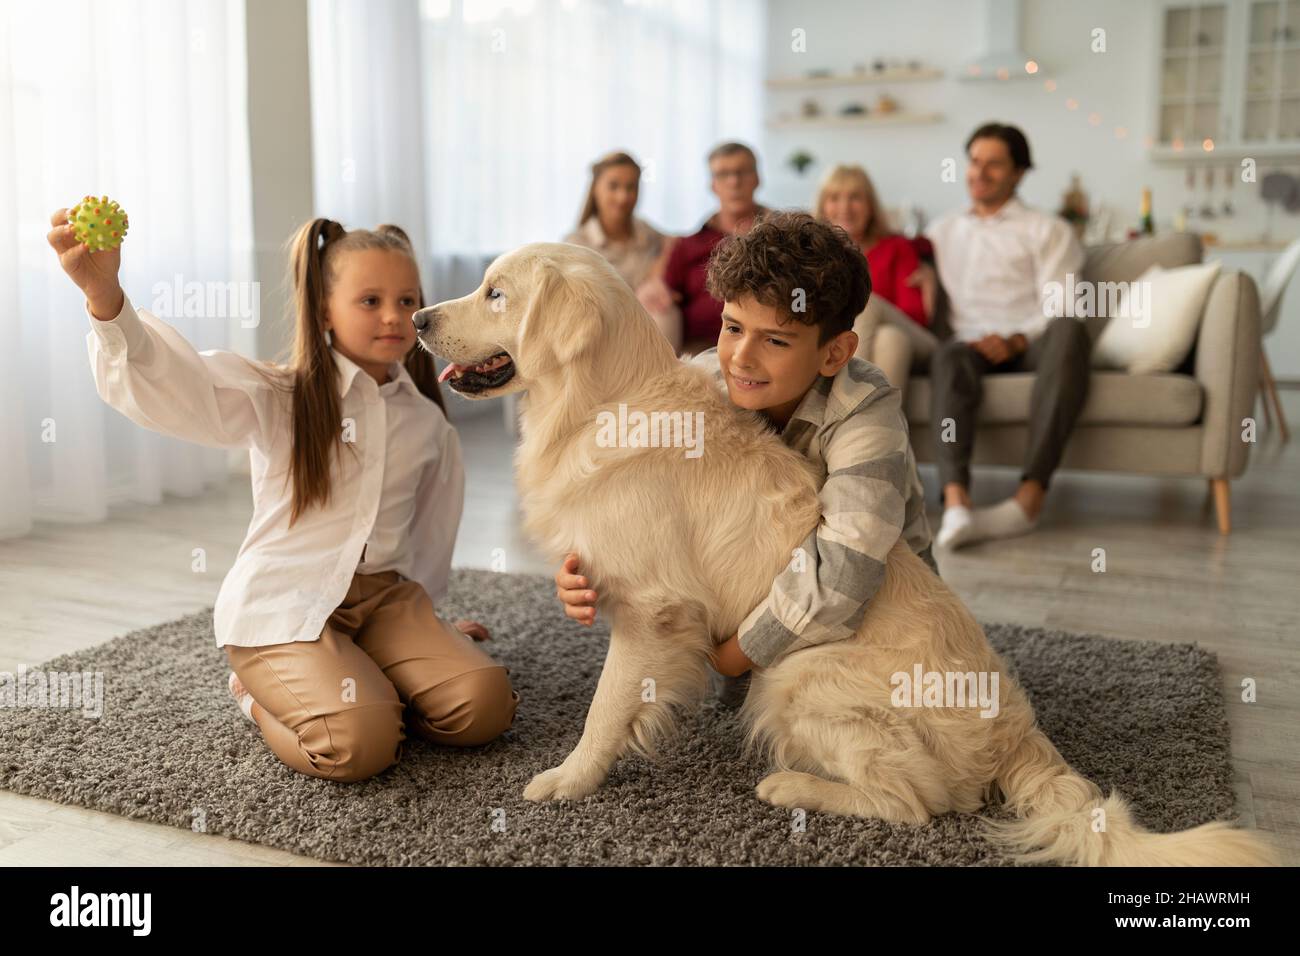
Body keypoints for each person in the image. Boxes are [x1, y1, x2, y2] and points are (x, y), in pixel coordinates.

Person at [47, 210, 518, 782]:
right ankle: (254, 690)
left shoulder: (427, 423)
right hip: (287, 603)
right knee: (361, 745)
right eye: (370, 301)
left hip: (385, 602)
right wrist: (106, 297)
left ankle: (365, 673)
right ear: (324, 309)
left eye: (406, 299)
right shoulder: (279, 393)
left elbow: (429, 530)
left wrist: (432, 625)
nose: (393, 316)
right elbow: (179, 385)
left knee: (485, 705)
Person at [555, 212, 935, 707]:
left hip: (877, 615)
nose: (741, 358)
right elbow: (636, 490)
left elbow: (848, 572)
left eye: (775, 340)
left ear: (835, 352)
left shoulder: (866, 412)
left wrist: (736, 655)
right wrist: (589, 566)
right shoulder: (706, 380)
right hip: (761, 591)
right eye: (733, 327)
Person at [924, 122, 1090, 549]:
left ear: (1018, 173)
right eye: (975, 162)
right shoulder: (941, 233)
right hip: (968, 346)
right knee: (948, 355)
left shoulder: (1047, 229)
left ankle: (1028, 500)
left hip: (1031, 344)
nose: (980, 172)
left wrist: (1016, 340)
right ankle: (957, 502)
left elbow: (1064, 305)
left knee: (1071, 331)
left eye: (994, 164)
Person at [814, 163, 939, 395]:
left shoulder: (897, 247)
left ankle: (841, 398)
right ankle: (879, 427)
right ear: (822, 207)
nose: (845, 207)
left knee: (866, 303)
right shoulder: (814, 257)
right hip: (888, 339)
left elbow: (916, 316)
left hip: (919, 340)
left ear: (870, 206)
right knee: (891, 340)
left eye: (855, 198)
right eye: (834, 198)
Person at [638, 141, 769, 356]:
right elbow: (665, 291)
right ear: (713, 185)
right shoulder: (689, 245)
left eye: (741, 172)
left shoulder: (784, 235)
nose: (734, 181)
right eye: (723, 174)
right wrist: (653, 287)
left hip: (765, 346)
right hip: (700, 351)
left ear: (756, 179)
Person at [563, 150, 670, 292]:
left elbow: (676, 244)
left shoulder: (646, 232)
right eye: (613, 186)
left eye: (631, 187)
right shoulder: (576, 246)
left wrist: (658, 272)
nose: (623, 197)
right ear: (595, 188)